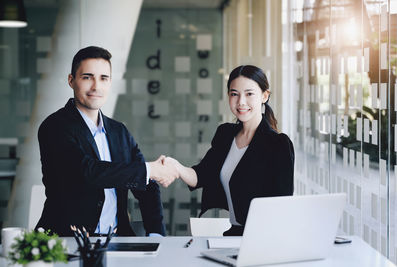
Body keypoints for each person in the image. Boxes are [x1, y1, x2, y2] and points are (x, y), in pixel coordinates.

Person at [36, 46, 178, 236]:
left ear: (110, 83)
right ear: (71, 81)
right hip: (66, 241)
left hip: (118, 239)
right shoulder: (54, 127)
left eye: (103, 78)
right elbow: (90, 172)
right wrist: (150, 169)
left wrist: (155, 235)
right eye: (87, 77)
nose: (96, 86)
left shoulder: (119, 131)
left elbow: (146, 185)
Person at [164, 65, 294, 236]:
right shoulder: (225, 134)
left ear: (264, 96)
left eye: (249, 94)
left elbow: (282, 206)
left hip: (263, 237)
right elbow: (202, 175)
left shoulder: (278, 145)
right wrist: (176, 167)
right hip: (233, 234)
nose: (241, 102)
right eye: (234, 94)